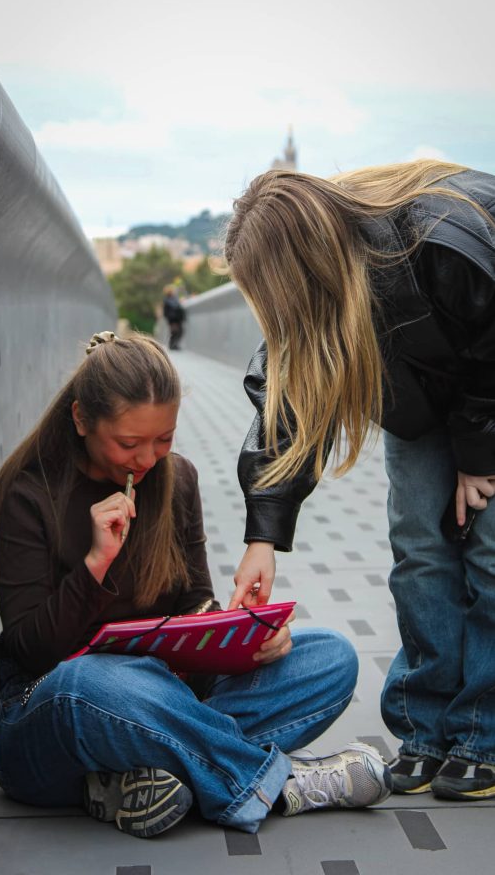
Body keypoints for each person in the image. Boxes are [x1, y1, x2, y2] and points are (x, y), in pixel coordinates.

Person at [0, 330, 390, 840]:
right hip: (46, 716)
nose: (148, 459)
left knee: (330, 658)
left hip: (167, 696)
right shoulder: (28, 496)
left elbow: (194, 598)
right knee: (96, 681)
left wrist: (234, 629)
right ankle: (282, 783)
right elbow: (34, 651)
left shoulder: (178, 480)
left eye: (163, 439)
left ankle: (147, 778)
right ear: (81, 419)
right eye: (129, 443)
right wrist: (95, 565)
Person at [224, 161, 495, 801]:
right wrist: (263, 537)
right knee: (420, 548)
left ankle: (483, 733)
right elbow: (283, 406)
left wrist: (478, 455)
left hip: (488, 390)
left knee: (487, 555)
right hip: (425, 401)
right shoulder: (322, 294)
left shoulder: (437, 237)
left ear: (302, 263)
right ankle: (425, 731)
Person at [162, 285, 186, 350]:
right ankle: (173, 345)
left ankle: (173, 345)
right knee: (175, 332)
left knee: (177, 332)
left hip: (176, 319)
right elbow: (169, 310)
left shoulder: (172, 299)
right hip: (173, 320)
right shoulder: (169, 300)